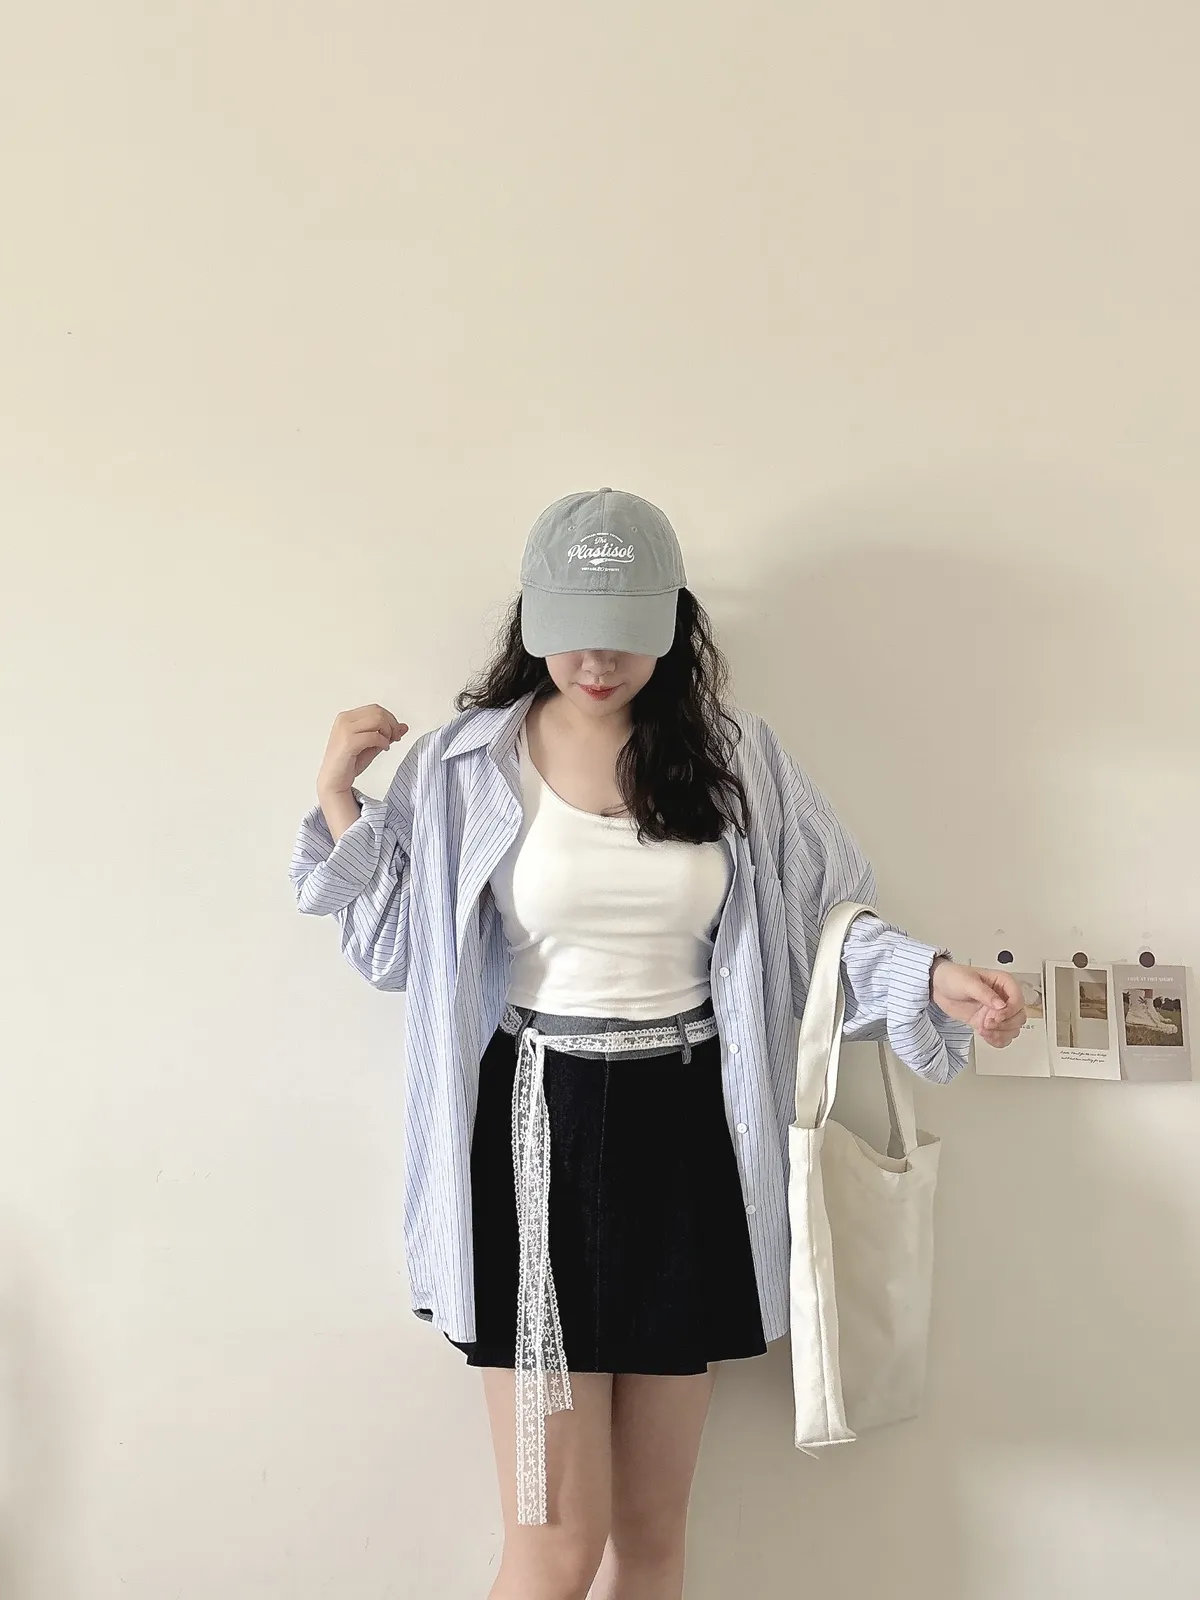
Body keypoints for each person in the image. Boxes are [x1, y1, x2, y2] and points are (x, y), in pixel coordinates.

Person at [290, 488, 1025, 1600]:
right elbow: (397, 950)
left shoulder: (736, 759)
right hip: (531, 1134)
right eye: (576, 628)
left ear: (672, 623)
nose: (599, 659)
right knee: (555, 1545)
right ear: (532, 619)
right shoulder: (462, 766)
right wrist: (342, 800)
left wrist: (932, 977)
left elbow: (822, 925)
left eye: (627, 631)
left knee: (650, 1539)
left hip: (687, 1134)